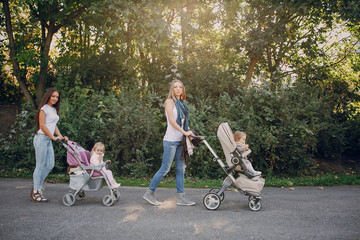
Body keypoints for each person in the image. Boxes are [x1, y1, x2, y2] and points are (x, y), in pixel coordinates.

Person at [143, 79, 195, 206]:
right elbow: (172, 121)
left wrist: (188, 131)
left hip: (180, 141)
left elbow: (182, 122)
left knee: (180, 169)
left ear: (182, 90)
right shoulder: (169, 102)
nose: (178, 89)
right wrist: (184, 132)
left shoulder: (182, 104)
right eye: (175, 87)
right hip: (170, 141)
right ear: (172, 90)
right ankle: (149, 193)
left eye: (180, 87)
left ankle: (181, 197)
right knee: (165, 169)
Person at [31, 88, 68, 202]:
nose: (55, 99)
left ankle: (36, 187)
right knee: (40, 165)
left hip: (48, 140)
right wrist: (53, 137)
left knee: (50, 165)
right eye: (53, 96)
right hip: (41, 139)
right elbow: (42, 125)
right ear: (48, 96)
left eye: (57, 97)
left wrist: (60, 136)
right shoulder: (44, 109)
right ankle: (36, 191)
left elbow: (54, 125)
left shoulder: (53, 109)